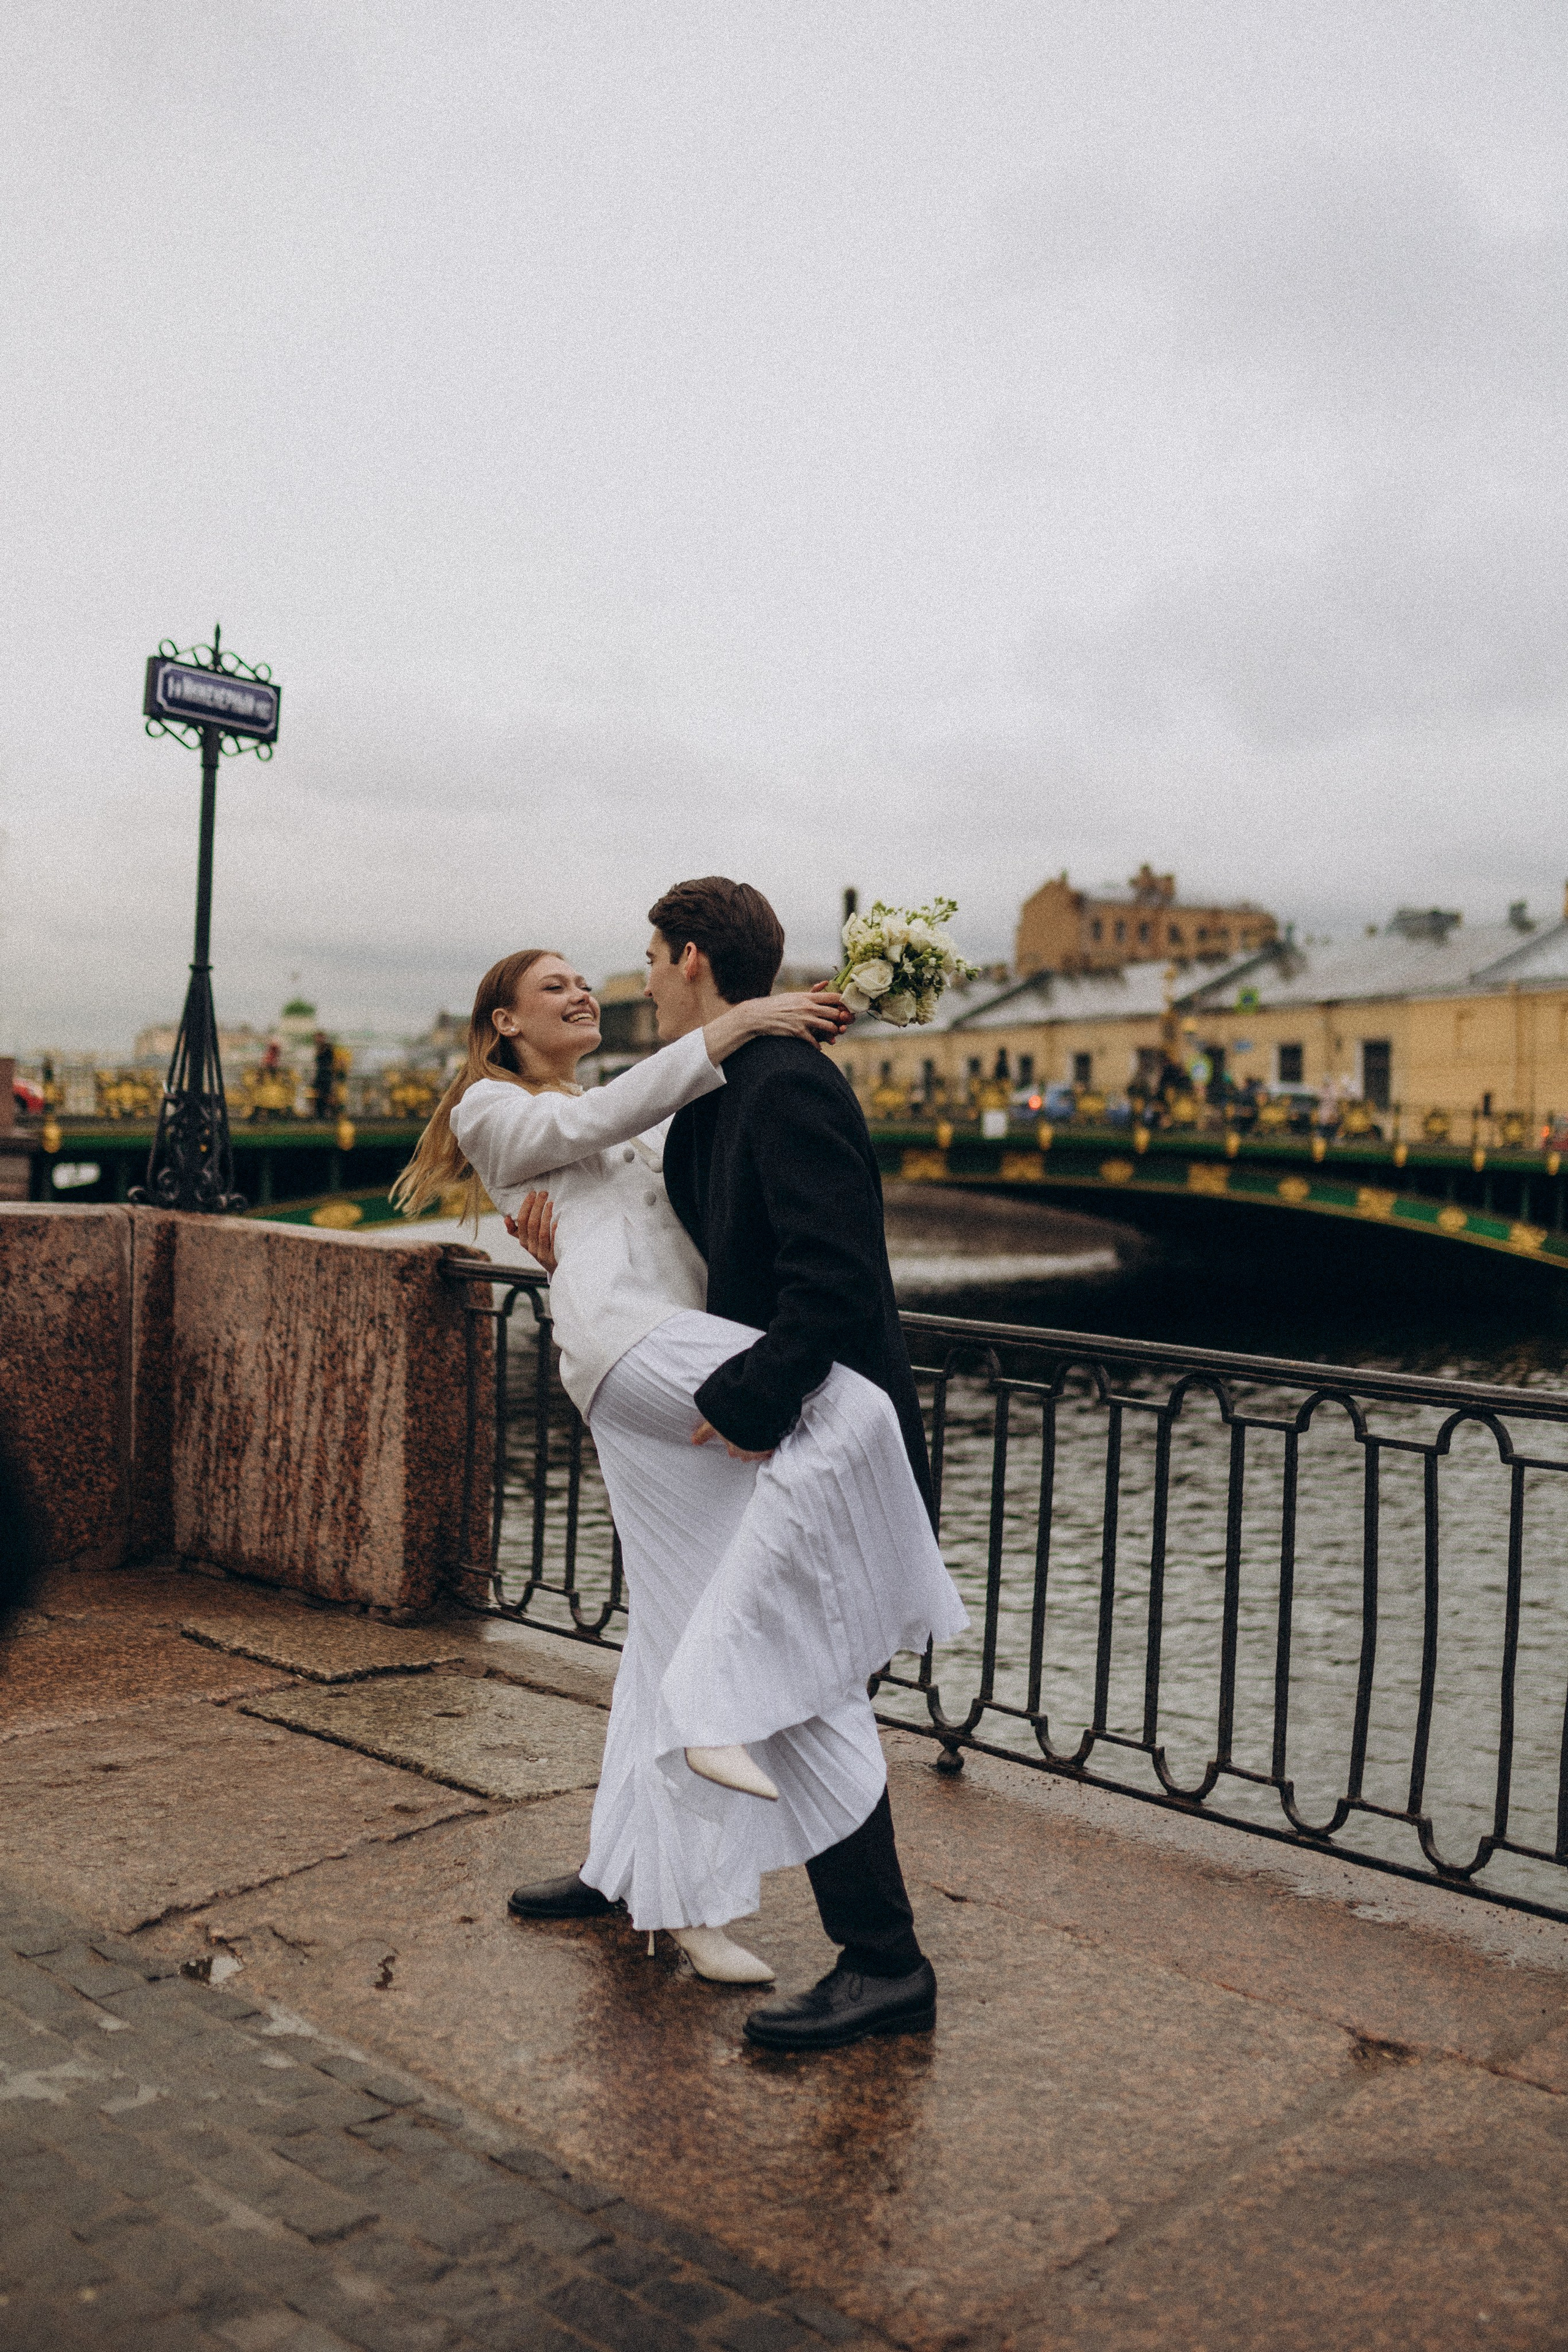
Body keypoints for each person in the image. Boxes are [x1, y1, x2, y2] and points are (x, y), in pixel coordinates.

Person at [393, 946, 965, 2022]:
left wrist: (572, 1253)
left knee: (665, 1628)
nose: (582, 991)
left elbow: (676, 1227)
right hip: (638, 1357)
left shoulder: (648, 1111)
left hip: (665, 1358)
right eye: (551, 985)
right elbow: (591, 1126)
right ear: (504, 1026)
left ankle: (629, 1870)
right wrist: (744, 1023)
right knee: (845, 1418)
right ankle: (866, 1612)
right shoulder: (490, 1105)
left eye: (590, 977)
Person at [647, 877, 963, 2052]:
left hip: (832, 1445)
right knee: (788, 1693)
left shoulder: (784, 1089)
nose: (638, 979)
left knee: (799, 1693)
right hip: (799, 1442)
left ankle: (886, 1963)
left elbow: (832, 1283)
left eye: (648, 956)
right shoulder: (723, 1091)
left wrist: (745, 1397)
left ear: (691, 959)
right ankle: (856, 1950)